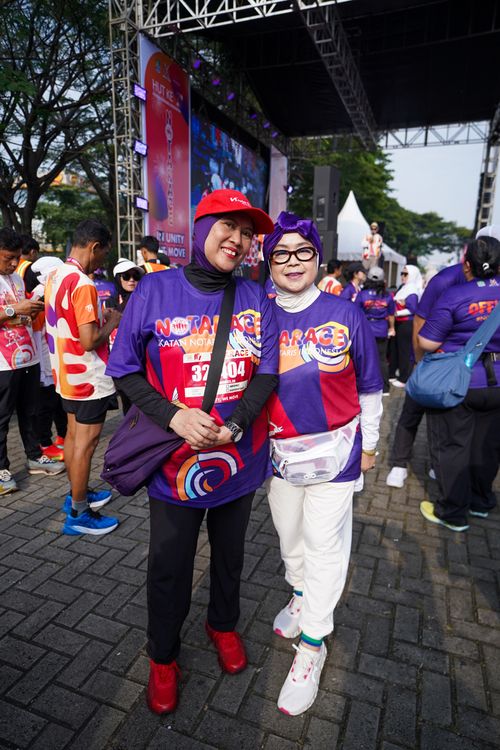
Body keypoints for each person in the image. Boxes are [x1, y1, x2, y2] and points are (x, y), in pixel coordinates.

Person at [107, 189, 278, 715]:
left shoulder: (255, 296)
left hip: (237, 460)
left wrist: (236, 424)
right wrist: (174, 417)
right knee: (170, 565)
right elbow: (124, 369)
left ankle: (222, 624)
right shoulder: (154, 289)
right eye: (229, 227)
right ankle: (163, 655)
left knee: (230, 557)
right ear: (202, 228)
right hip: (174, 467)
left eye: (247, 233)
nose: (239, 240)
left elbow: (267, 372)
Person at [262, 212, 383, 716]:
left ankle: (312, 644)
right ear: (268, 262)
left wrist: (371, 444)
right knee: (288, 534)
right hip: (278, 454)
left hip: (338, 451)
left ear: (318, 257)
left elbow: (370, 386)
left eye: (303, 252)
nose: (293, 262)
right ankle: (298, 592)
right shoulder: (257, 312)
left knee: (323, 542)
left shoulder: (346, 312)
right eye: (281, 253)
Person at [45, 219, 121, 535]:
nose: (103, 261)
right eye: (104, 254)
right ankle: (79, 512)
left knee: (74, 439)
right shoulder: (83, 283)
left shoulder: (55, 275)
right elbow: (89, 340)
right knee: (85, 446)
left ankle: (77, 494)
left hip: (65, 374)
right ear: (94, 247)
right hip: (88, 377)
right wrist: (113, 321)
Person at [418, 236, 500, 531]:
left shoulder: (455, 295)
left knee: (453, 445)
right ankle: (480, 501)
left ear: (467, 265)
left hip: (460, 381)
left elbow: (426, 341)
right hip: (497, 384)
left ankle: (452, 511)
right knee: (488, 444)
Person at [0, 228, 65, 495]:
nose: (15, 263)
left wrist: (31, 308)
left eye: (17, 257)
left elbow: (19, 314)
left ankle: (34, 456)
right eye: (8, 258)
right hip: (3, 363)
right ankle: (1, 469)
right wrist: (16, 309)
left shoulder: (16, 278)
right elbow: (11, 311)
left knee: (30, 411)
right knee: (2, 417)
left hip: (28, 355)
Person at [25, 256, 68, 461]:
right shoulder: (39, 295)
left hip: (55, 357)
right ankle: (45, 443)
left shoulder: (54, 290)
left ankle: (62, 436)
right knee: (46, 403)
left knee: (58, 401)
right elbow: (35, 330)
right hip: (44, 359)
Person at [111, 258, 146, 414]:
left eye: (136, 276)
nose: (131, 280)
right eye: (126, 276)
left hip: (141, 359)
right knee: (127, 406)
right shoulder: (110, 302)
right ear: (118, 279)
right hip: (120, 360)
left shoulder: (146, 299)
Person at [355, 266, 395, 394]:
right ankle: (385, 388)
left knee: (365, 359)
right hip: (382, 329)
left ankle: (366, 386)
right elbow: (391, 315)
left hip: (366, 330)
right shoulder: (387, 296)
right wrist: (392, 328)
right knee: (382, 359)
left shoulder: (362, 294)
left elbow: (356, 313)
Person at [390, 265, 422, 387]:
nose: (402, 276)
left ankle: (404, 378)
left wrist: (397, 313)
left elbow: (413, 309)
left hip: (406, 324)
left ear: (412, 275)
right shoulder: (404, 288)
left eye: (405, 274)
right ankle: (397, 373)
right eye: (402, 273)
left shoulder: (412, 290)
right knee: (396, 349)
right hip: (399, 323)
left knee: (405, 351)